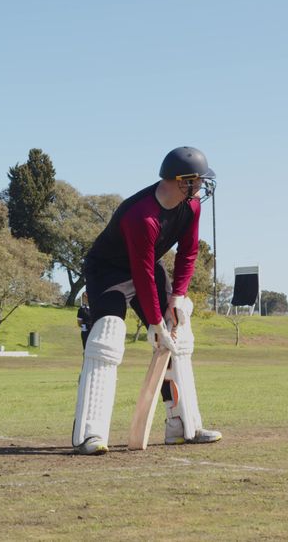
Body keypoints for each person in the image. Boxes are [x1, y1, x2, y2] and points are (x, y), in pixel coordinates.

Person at [71, 146, 223, 455]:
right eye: (197, 180)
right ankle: (90, 434)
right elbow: (139, 274)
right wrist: (154, 323)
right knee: (109, 332)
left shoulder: (191, 207)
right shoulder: (142, 216)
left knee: (178, 331)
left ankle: (183, 426)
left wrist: (178, 297)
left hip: (147, 266)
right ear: (181, 180)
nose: (202, 186)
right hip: (109, 272)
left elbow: (188, 252)